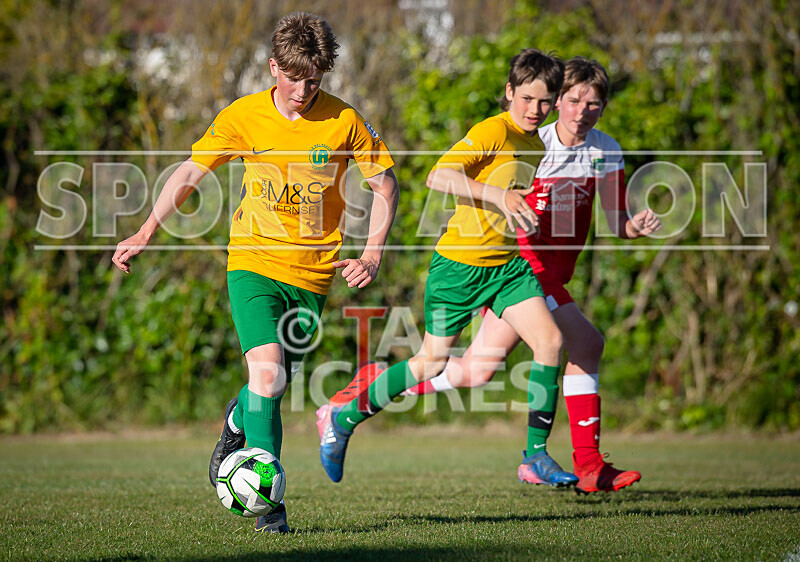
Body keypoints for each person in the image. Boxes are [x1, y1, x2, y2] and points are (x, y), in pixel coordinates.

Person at [111, 12, 399, 532]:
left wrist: (373, 252)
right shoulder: (243, 117)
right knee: (266, 371)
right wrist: (147, 229)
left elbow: (385, 186)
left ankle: (236, 419)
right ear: (273, 68)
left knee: (271, 383)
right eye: (294, 79)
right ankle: (271, 507)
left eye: (314, 80)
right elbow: (192, 171)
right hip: (252, 263)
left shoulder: (345, 121)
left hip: (313, 276)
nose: (303, 91)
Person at [401, 56, 662, 493]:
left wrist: (639, 226)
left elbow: (619, 223)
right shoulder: (532, 142)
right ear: (558, 101)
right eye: (575, 99)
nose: (583, 110)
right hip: (521, 270)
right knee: (586, 342)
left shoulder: (605, 151)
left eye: (594, 103)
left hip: (550, 275)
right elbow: (479, 190)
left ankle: (390, 387)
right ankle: (589, 466)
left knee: (476, 371)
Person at [317, 48, 577, 487]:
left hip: (506, 267)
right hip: (459, 267)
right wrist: (502, 198)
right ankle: (344, 417)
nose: (536, 109)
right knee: (430, 363)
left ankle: (535, 455)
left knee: (550, 342)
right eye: (527, 98)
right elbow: (439, 175)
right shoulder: (494, 130)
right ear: (509, 92)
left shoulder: (536, 142)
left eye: (545, 101)